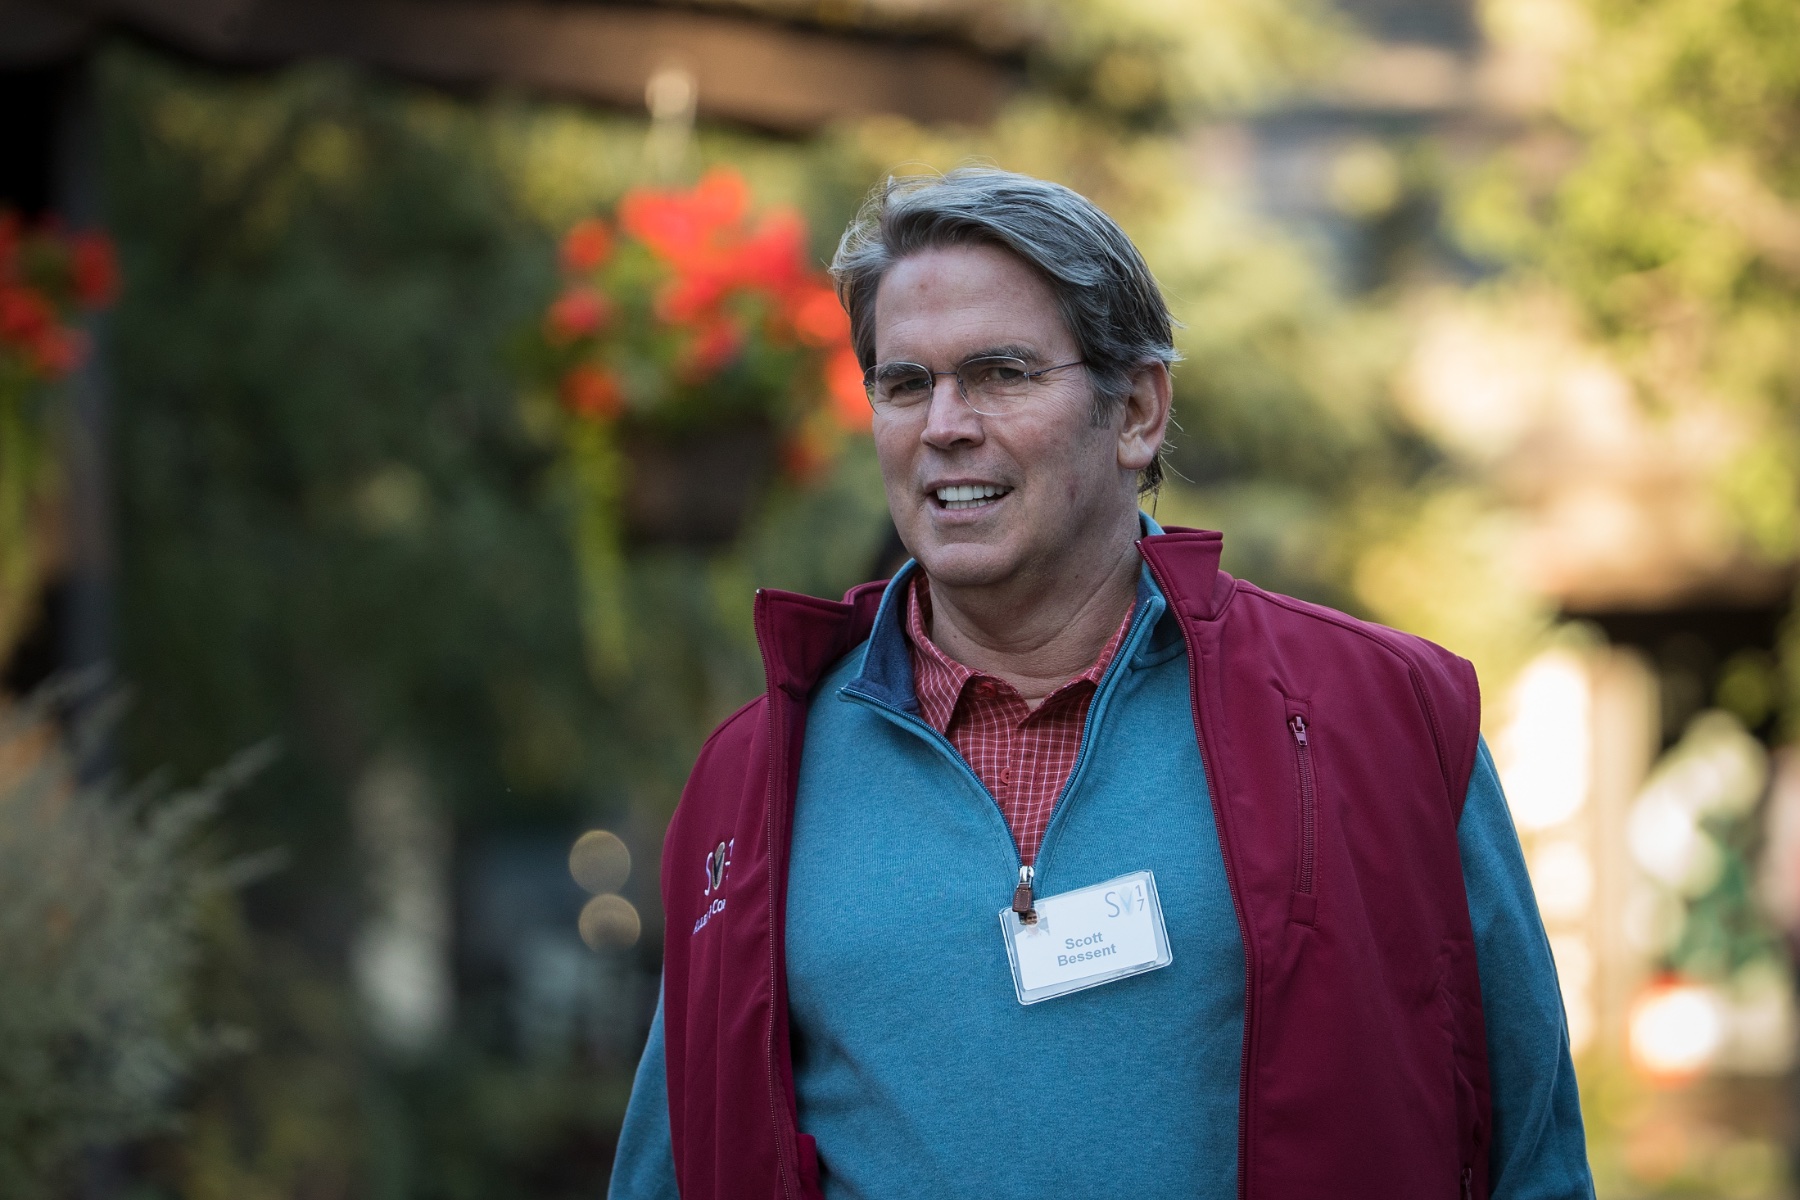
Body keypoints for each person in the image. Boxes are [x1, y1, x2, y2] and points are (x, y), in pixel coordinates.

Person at [609, 168, 1593, 1200]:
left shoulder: (1383, 718)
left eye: (999, 374)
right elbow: (668, 1171)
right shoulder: (754, 774)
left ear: (1135, 411)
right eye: (905, 384)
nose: (944, 422)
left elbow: (1532, 1162)